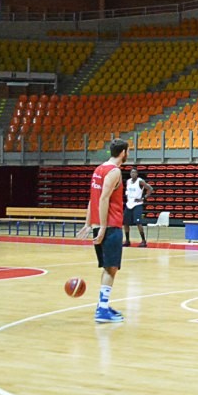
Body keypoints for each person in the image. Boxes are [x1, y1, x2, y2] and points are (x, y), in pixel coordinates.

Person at [76, 139, 128, 324]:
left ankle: (103, 306)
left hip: (100, 224)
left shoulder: (98, 169)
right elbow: (103, 198)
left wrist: (89, 223)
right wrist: (104, 227)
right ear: (123, 152)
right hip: (110, 225)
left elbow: (93, 199)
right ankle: (102, 310)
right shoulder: (114, 172)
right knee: (111, 268)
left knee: (108, 268)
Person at [123, 167, 154, 248]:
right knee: (125, 223)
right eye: (131, 172)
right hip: (129, 204)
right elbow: (127, 191)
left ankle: (143, 241)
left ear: (137, 174)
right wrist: (128, 198)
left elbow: (150, 189)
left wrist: (143, 198)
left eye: (134, 172)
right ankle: (127, 240)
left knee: (138, 223)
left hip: (137, 204)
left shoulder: (140, 181)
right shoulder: (128, 181)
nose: (133, 174)